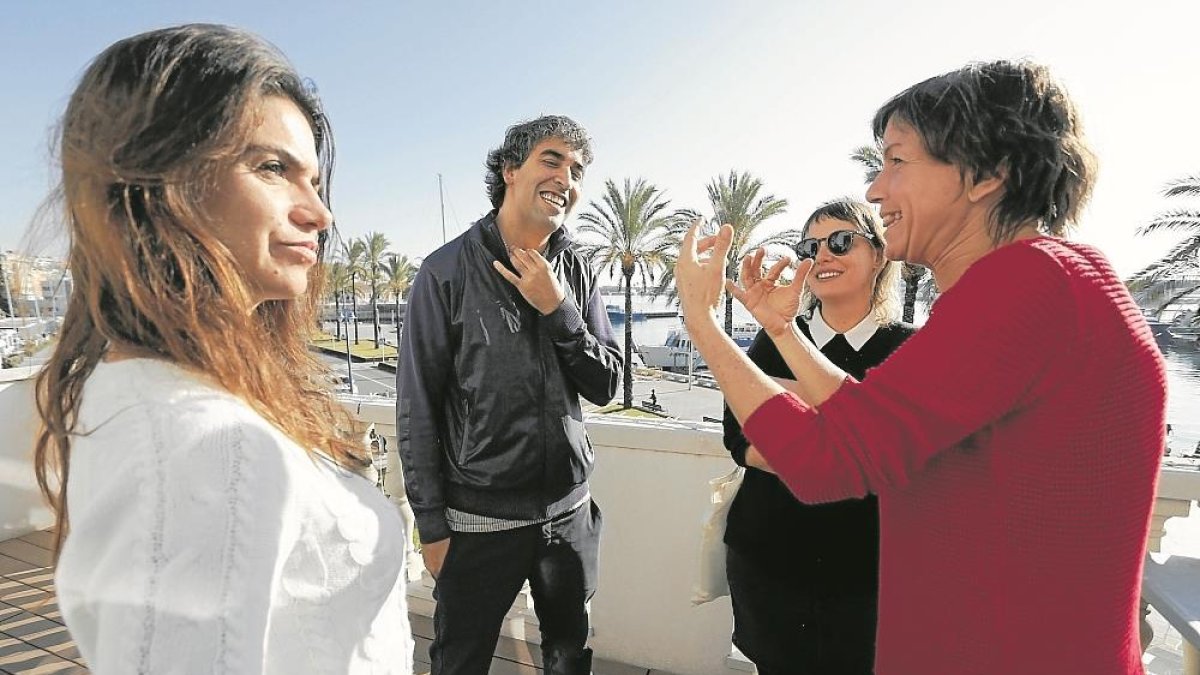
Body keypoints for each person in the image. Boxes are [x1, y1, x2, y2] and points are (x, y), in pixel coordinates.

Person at [675, 60, 1165, 674]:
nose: (876, 190)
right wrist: (777, 328)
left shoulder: (1026, 286)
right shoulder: (1065, 279)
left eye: (897, 161)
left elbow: (827, 463)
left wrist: (702, 321)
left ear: (987, 172)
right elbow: (872, 419)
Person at [32, 24, 412, 674]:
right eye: (273, 168)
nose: (320, 213)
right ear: (159, 180)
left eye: (315, 181)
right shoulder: (207, 445)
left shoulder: (158, 389)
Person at [397, 115, 622, 674]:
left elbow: (609, 384)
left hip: (568, 514)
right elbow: (416, 406)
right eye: (552, 160)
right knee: (461, 661)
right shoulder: (445, 270)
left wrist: (559, 310)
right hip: (477, 521)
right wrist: (430, 522)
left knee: (570, 655)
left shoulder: (577, 269)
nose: (566, 179)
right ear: (510, 169)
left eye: (578, 170)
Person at [722, 198, 913, 674]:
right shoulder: (772, 340)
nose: (823, 255)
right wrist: (844, 437)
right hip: (771, 563)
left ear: (880, 255)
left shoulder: (912, 349)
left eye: (841, 241)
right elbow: (740, 441)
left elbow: (902, 455)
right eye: (810, 246)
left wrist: (799, 426)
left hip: (871, 577)